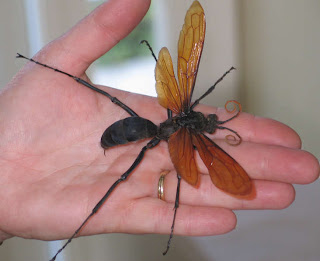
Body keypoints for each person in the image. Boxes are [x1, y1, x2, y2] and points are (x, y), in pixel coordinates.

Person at [0, 0, 318, 246]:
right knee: (130, 170)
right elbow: (183, 83)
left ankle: (86, 221)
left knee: (134, 169)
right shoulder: (188, 132)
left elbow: (186, 149)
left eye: (209, 123)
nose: (209, 123)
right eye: (209, 123)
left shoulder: (181, 118)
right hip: (134, 130)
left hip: (141, 129)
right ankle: (57, 73)